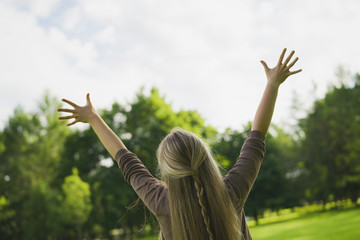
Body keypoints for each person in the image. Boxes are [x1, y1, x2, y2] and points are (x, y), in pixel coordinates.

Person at [58, 48, 301, 240]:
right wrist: (272, 85)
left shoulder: (161, 201)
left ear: (166, 170)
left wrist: (92, 118)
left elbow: (126, 160)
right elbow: (256, 139)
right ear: (206, 158)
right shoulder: (232, 192)